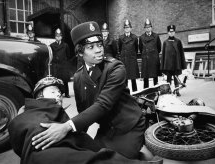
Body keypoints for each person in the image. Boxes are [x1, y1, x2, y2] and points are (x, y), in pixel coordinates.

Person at [30, 21, 149, 160]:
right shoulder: (78, 77)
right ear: (80, 52)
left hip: (128, 126)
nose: (98, 50)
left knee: (114, 161)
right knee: (88, 156)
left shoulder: (115, 68)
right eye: (91, 47)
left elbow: (103, 104)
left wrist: (66, 127)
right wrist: (73, 137)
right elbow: (83, 112)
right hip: (106, 130)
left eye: (99, 45)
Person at [8, 76, 163, 164]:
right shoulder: (30, 112)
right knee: (93, 160)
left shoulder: (57, 111)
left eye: (60, 93)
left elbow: (77, 131)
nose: (58, 95)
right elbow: (20, 129)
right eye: (53, 91)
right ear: (39, 96)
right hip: (43, 153)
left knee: (102, 155)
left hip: (55, 150)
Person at [160, 25, 186, 96]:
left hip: (176, 64)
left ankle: (177, 91)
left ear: (174, 32)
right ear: (168, 32)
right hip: (168, 64)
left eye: (173, 31)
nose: (171, 33)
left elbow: (181, 53)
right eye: (170, 32)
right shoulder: (165, 42)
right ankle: (168, 91)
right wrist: (163, 66)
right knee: (168, 79)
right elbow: (164, 55)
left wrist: (182, 64)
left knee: (176, 78)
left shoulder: (178, 41)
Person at [118, 19, 140, 92]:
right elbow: (120, 48)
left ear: (131, 28)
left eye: (128, 27)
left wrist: (133, 56)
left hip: (132, 60)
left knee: (133, 78)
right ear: (124, 29)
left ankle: (135, 92)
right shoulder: (121, 38)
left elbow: (136, 49)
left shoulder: (134, 37)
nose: (127, 29)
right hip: (124, 60)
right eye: (125, 28)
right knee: (125, 79)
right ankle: (126, 94)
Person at [139, 19, 161, 89]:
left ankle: (156, 90)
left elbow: (159, 47)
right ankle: (146, 91)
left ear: (151, 27)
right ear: (144, 28)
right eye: (146, 27)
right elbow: (141, 48)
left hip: (154, 58)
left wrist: (154, 54)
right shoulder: (141, 37)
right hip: (146, 58)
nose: (148, 29)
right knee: (146, 77)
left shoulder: (156, 36)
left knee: (155, 76)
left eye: (149, 27)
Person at [50, 28, 71, 98]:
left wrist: (65, 63)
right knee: (56, 81)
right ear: (55, 37)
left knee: (65, 80)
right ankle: (58, 93)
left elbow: (68, 55)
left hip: (63, 65)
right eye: (57, 36)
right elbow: (51, 55)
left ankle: (67, 93)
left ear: (61, 37)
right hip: (56, 65)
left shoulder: (65, 45)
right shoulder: (52, 45)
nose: (58, 37)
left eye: (59, 36)